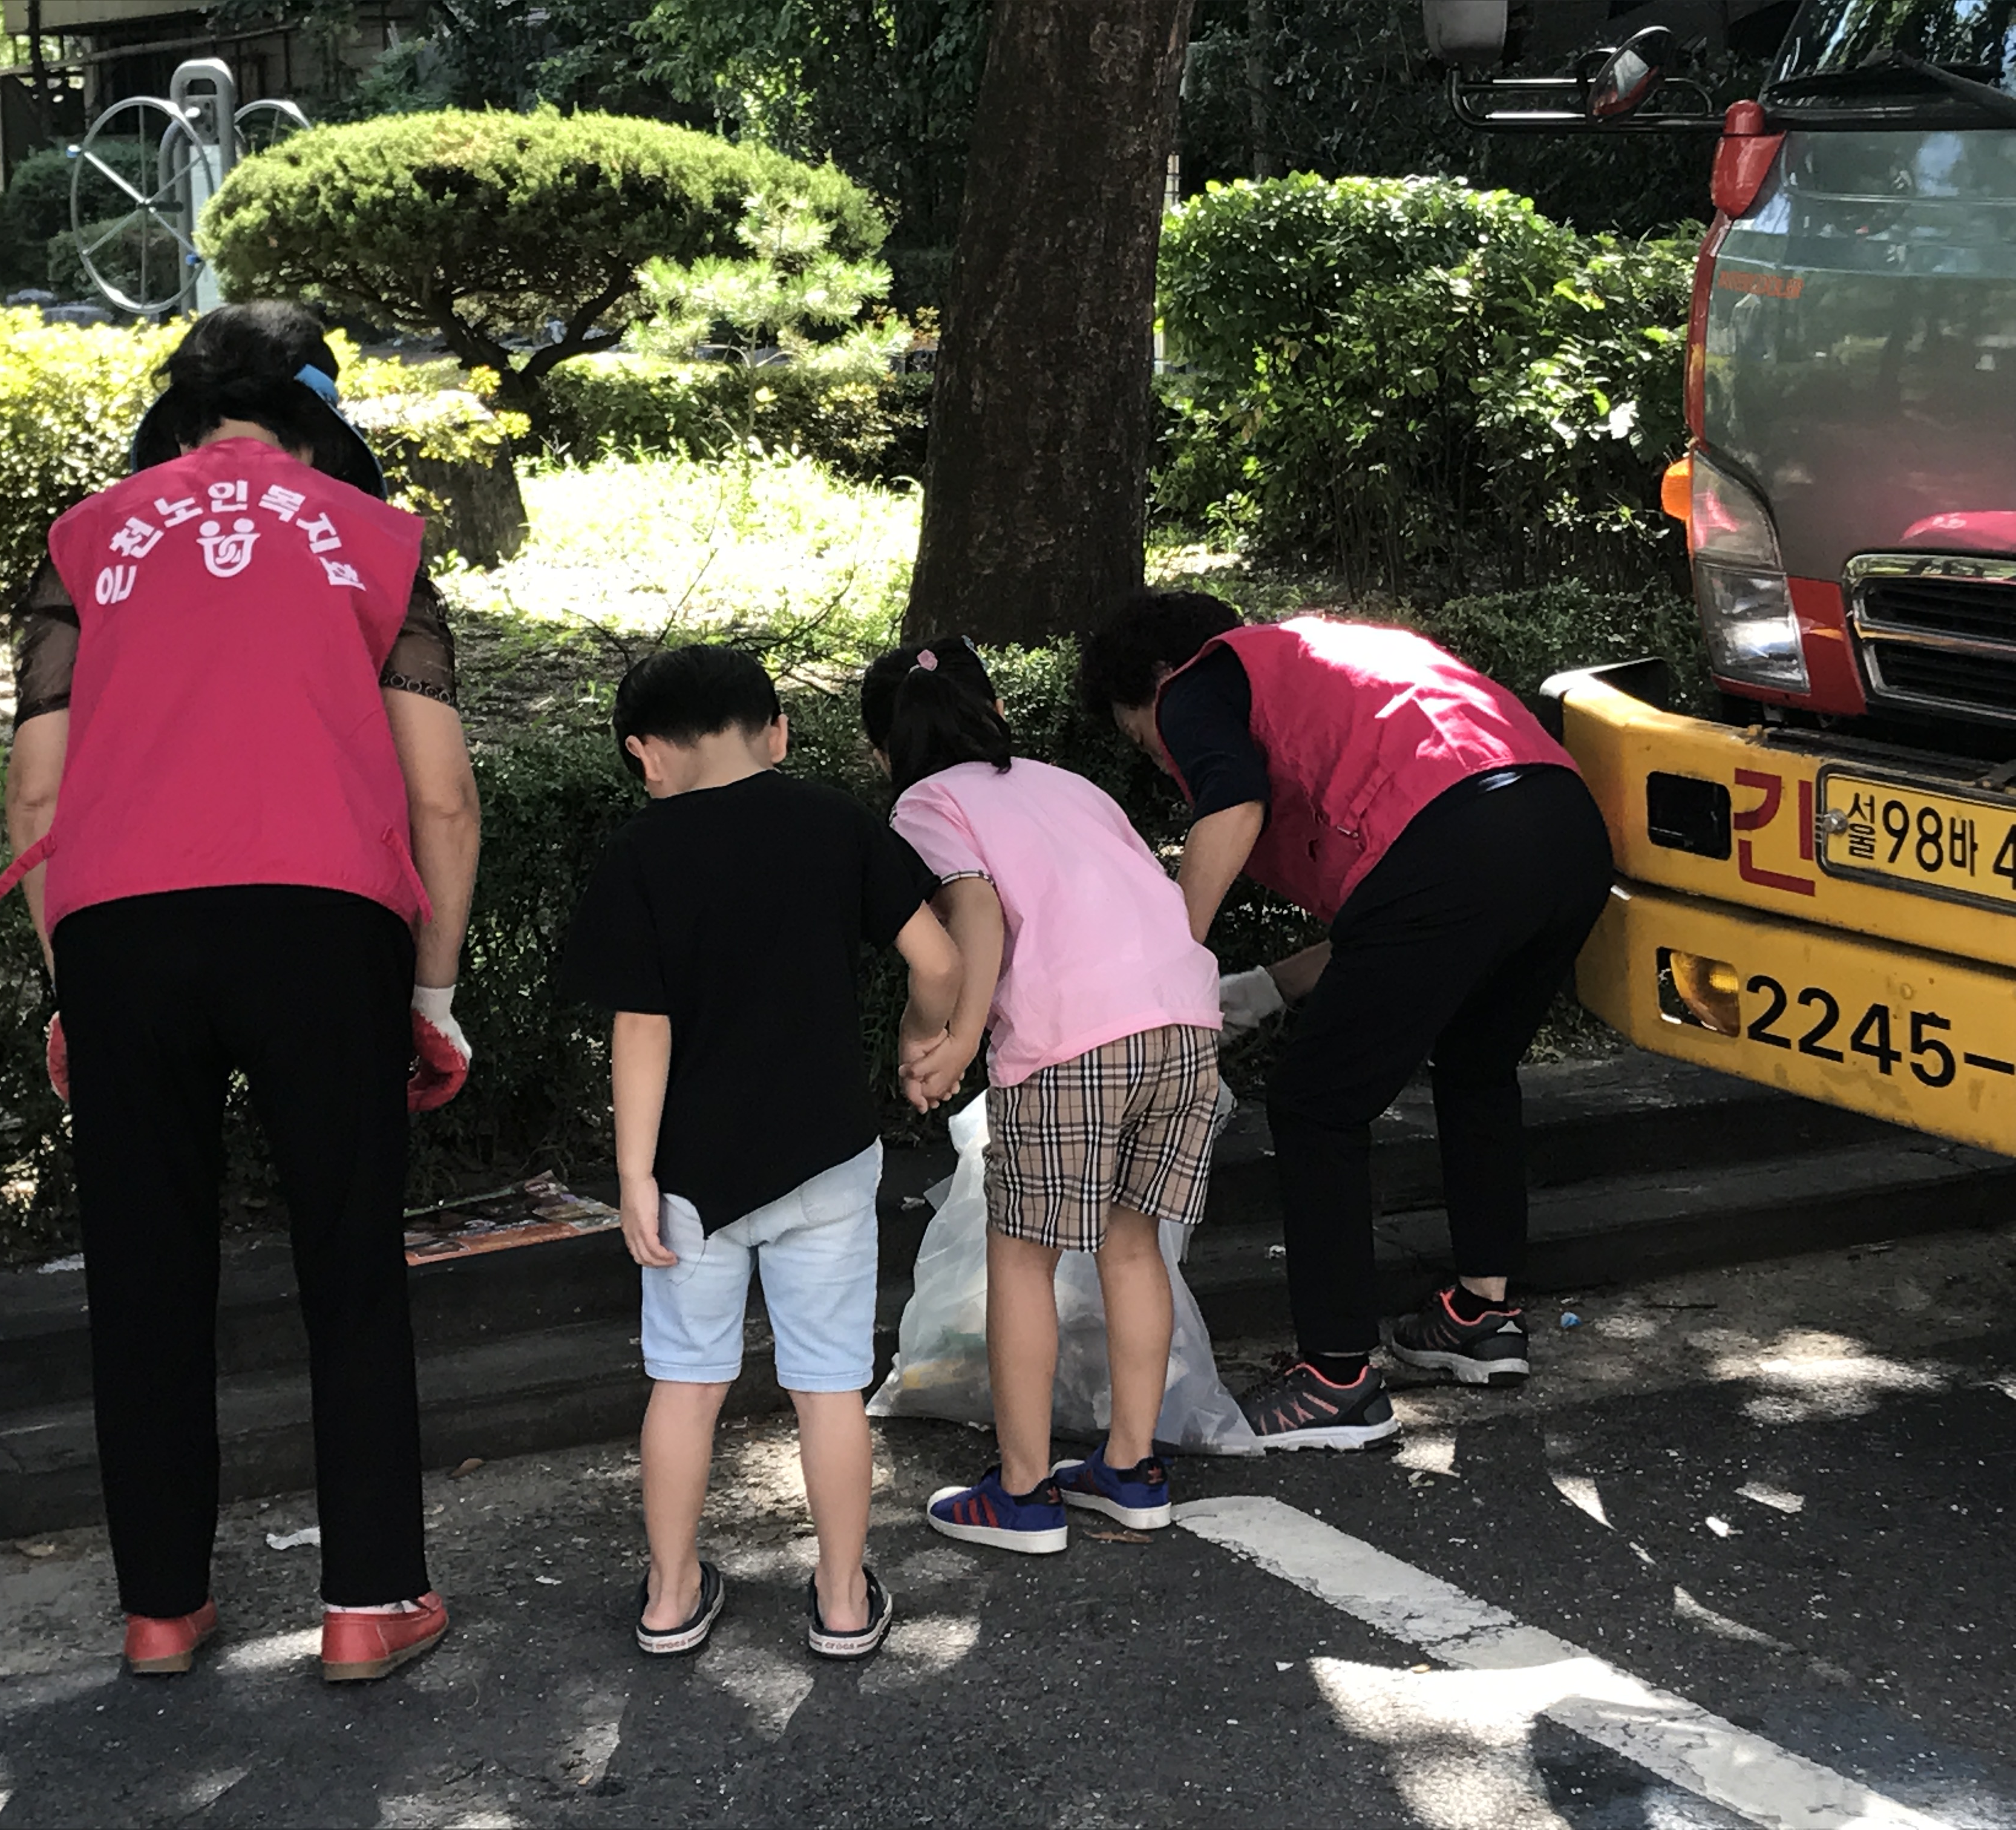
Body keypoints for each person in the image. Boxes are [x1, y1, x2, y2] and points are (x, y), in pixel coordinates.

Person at [0, 303, 482, 1679]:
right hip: (323, 919)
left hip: (122, 927)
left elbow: (36, 794)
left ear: (183, 418)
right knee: (349, 1263)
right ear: (317, 419)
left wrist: (75, 982)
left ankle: (161, 1607)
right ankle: (368, 1602)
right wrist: (434, 990)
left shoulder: (89, 539)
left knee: (144, 1272)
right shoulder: (373, 537)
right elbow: (441, 795)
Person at [1079, 591, 1612, 1449]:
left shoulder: (1196, 680)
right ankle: (1482, 1316)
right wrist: (1266, 988)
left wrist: (1168, 968)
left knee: (1314, 1104)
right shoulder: (1349, 663)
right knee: (1477, 1066)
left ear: (1157, 677)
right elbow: (1405, 916)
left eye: (1139, 735)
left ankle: (1336, 1379)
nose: (1159, 750)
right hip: (1564, 830)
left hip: (1457, 850)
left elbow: (1235, 806)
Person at [560, 644, 963, 1660]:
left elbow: (642, 1027)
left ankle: (670, 1596)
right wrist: (921, 1038)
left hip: (692, 1174)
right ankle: (841, 1599)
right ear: (777, 734)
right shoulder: (835, 821)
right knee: (827, 1385)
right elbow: (938, 958)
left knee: (687, 1383)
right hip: (827, 1153)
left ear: (646, 753)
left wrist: (634, 1176)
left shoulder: (641, 853)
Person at [858, 638, 1228, 1550]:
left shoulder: (924, 804)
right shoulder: (1069, 785)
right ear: (994, 712)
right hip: (1185, 1021)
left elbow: (974, 907)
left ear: (881, 747)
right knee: (1134, 1247)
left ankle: (1023, 1493)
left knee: (1021, 1260)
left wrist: (952, 1040)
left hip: (1071, 1042)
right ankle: (1131, 1470)